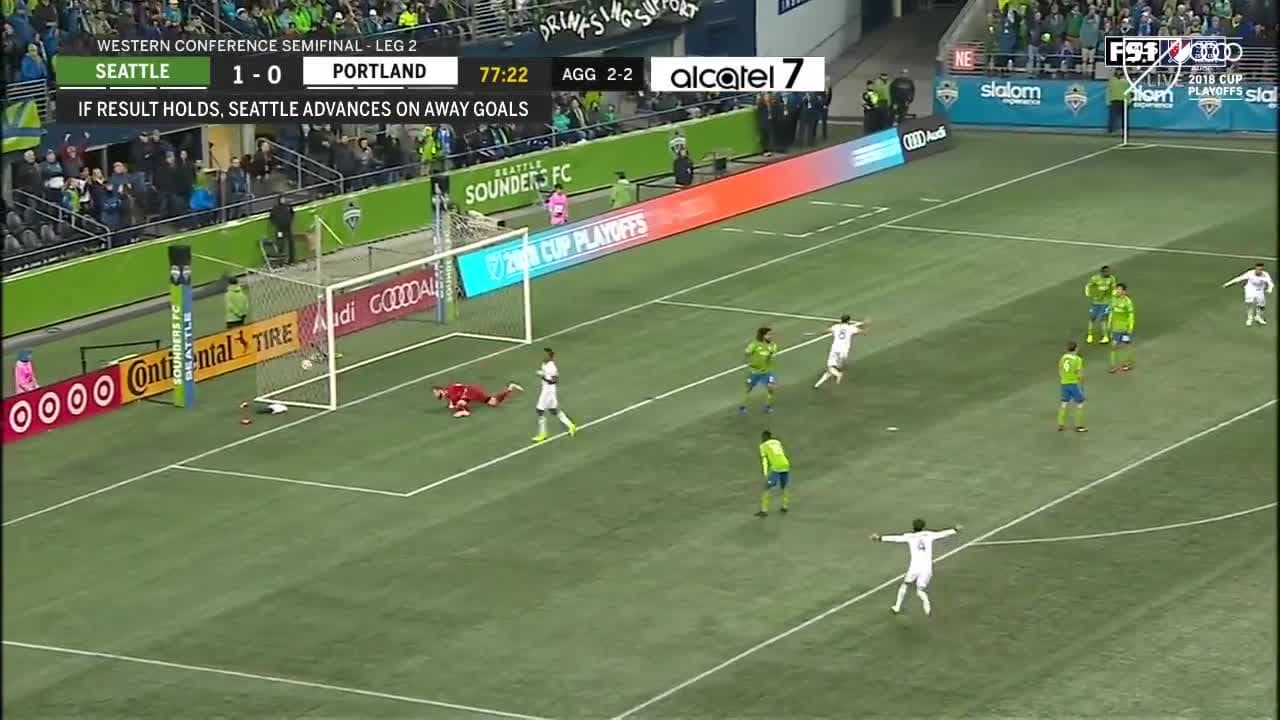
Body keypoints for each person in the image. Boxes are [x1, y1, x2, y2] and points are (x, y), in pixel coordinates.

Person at [870, 518, 961, 617]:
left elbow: (896, 538)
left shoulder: (909, 536)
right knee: (920, 590)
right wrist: (955, 530)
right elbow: (942, 534)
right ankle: (926, 602)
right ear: (923, 527)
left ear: (913, 526)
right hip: (927, 567)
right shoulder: (929, 534)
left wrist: (879, 538)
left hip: (915, 567)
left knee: (905, 585)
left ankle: (897, 607)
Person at [532, 347, 577, 443]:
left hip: (548, 391)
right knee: (553, 410)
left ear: (550, 356)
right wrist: (543, 374)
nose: (543, 356)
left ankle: (542, 434)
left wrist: (542, 377)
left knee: (540, 410)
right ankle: (571, 425)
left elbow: (555, 380)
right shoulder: (544, 363)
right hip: (547, 390)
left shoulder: (551, 367)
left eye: (545, 354)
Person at [813, 315, 866, 388]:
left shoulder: (836, 327)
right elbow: (863, 332)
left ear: (841, 320)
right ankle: (817, 385)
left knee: (830, 367)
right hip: (844, 351)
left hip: (835, 349)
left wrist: (814, 333)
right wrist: (865, 324)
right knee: (833, 369)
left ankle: (838, 374)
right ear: (848, 321)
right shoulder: (851, 328)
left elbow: (825, 331)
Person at [739, 326, 778, 415]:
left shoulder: (773, 345)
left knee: (771, 388)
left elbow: (772, 356)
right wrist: (747, 362)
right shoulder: (754, 345)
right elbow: (747, 353)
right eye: (769, 334)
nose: (771, 336)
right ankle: (742, 407)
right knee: (749, 389)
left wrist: (770, 357)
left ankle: (767, 407)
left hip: (767, 372)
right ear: (763, 336)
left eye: (771, 334)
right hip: (754, 372)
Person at [1222, 262, 1275, 327]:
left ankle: (1258, 317)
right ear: (1255, 269)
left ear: (1262, 270)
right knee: (1249, 303)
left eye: (1261, 270)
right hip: (1250, 289)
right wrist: (1227, 284)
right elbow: (1239, 278)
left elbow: (1270, 283)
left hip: (1260, 290)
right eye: (1258, 269)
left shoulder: (1265, 274)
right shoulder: (1250, 273)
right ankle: (1250, 318)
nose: (1259, 271)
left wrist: (1270, 289)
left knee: (1261, 306)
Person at [433, 382, 523, 418]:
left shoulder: (450, 391)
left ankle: (464, 411)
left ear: (440, 390)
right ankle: (510, 388)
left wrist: (454, 404)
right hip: (473, 391)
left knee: (459, 402)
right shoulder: (449, 392)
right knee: (494, 402)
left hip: (471, 391)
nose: (436, 395)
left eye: (436, 393)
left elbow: (457, 397)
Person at [755, 430, 791, 517]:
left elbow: (764, 460)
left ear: (765, 437)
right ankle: (785, 506)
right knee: (784, 486)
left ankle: (764, 510)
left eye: (762, 437)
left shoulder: (763, 446)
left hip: (777, 467)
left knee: (766, 487)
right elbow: (781, 453)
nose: (762, 439)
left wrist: (765, 473)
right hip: (786, 464)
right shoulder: (777, 442)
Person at [1058, 340, 1087, 432]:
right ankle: (1079, 426)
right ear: (1076, 348)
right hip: (1074, 384)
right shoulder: (1078, 359)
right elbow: (1080, 373)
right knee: (1080, 403)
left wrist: (1063, 377)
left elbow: (1060, 369)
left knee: (1064, 403)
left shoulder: (1063, 357)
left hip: (1064, 383)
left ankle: (1061, 424)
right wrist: (1082, 383)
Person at [1083, 265, 1117, 344]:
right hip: (1095, 302)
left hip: (1106, 303)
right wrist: (1088, 293)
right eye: (1106, 272)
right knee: (1092, 318)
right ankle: (1090, 335)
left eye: (1109, 271)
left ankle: (1105, 336)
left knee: (1103, 319)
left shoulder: (1112, 278)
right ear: (1102, 272)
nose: (1108, 273)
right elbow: (1088, 285)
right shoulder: (1095, 278)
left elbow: (1114, 288)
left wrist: (1113, 296)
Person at [1108, 284, 1136, 373]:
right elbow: (1111, 312)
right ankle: (1112, 366)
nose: (1117, 291)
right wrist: (1109, 323)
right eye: (1117, 289)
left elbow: (1131, 316)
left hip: (1124, 329)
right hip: (1115, 329)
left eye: (1119, 289)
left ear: (1124, 291)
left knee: (1126, 346)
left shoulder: (1127, 302)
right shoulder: (1114, 299)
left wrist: (1130, 327)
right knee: (1113, 346)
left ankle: (1127, 364)